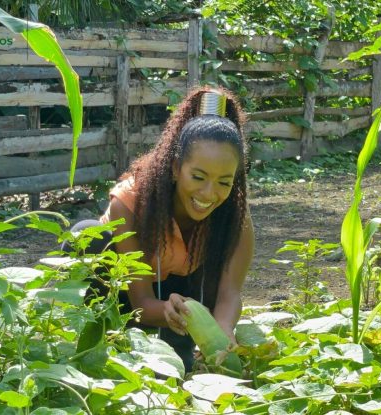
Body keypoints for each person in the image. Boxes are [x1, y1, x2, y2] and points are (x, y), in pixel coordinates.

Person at [64, 86, 254, 371]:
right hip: (129, 297)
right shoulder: (129, 202)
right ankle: (97, 341)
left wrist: (223, 328)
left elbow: (230, 293)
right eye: (198, 176)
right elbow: (140, 299)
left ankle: (182, 348)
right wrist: (165, 311)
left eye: (224, 182)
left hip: (185, 301)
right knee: (87, 236)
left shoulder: (235, 214)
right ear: (176, 168)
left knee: (181, 370)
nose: (208, 193)